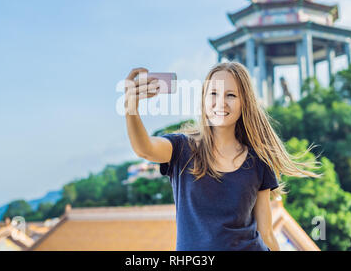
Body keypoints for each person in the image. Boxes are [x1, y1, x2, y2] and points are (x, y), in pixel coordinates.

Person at [124, 62, 322, 251]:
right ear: (203, 98)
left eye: (231, 95)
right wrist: (130, 107)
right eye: (213, 93)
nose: (221, 102)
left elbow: (267, 233)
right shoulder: (181, 148)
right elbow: (145, 149)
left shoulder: (259, 160)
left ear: (244, 102)